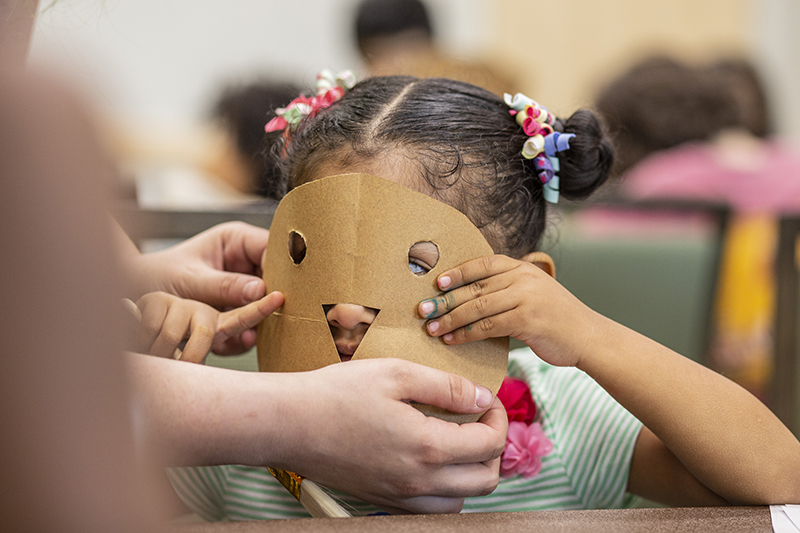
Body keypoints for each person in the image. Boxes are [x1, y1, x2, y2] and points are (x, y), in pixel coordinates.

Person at [145, 73, 800, 520]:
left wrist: (590, 336)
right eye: (313, 258)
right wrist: (154, 356)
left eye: (413, 264)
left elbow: (782, 481)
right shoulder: (237, 428)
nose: (345, 309)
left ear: (526, 287)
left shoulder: (558, 420)